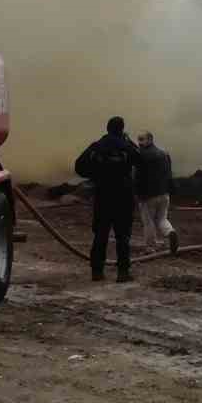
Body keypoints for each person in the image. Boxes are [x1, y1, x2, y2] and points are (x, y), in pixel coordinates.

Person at [74, 116, 142, 282]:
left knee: (100, 235)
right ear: (121, 128)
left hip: (103, 195)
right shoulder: (127, 146)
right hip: (123, 197)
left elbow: (79, 165)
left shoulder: (97, 146)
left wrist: (96, 175)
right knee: (123, 236)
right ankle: (123, 273)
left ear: (107, 128)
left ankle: (97, 272)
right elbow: (141, 161)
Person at [134, 131, 178, 256]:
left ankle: (150, 248)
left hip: (148, 196)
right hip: (164, 194)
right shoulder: (164, 154)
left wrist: (137, 193)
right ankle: (170, 233)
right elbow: (169, 174)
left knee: (148, 222)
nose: (140, 142)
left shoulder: (141, 156)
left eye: (142, 139)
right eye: (139, 139)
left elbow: (138, 177)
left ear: (150, 139)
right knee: (162, 219)